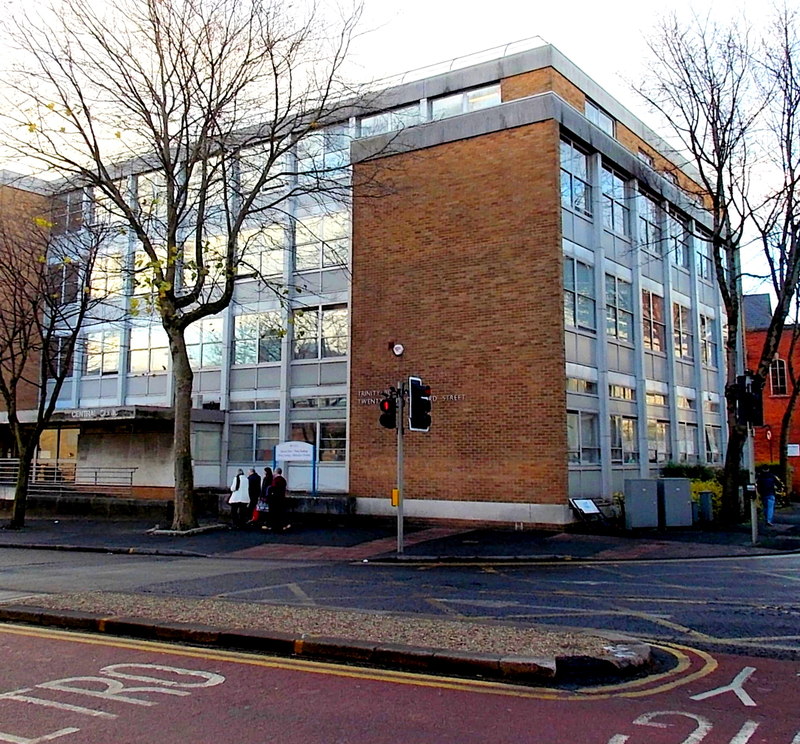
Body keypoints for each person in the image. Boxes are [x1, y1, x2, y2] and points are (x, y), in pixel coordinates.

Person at [268, 467, 289, 532]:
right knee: (280, 513)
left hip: (275, 499)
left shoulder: (275, 480)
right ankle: (281, 526)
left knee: (274, 513)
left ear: (276, 472)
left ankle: (274, 526)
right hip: (281, 498)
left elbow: (273, 488)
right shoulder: (283, 480)